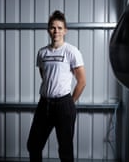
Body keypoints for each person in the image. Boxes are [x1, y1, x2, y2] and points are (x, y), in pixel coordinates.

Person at [27, 10, 86, 162]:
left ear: (65, 30)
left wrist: (70, 102)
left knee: (65, 150)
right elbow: (45, 76)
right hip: (44, 104)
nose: (56, 31)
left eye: (60, 28)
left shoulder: (71, 51)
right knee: (33, 145)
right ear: (48, 29)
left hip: (64, 104)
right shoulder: (42, 53)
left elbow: (82, 81)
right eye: (53, 27)